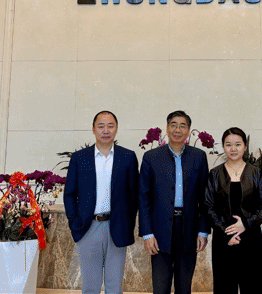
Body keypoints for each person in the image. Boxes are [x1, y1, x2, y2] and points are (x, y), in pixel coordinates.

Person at [64, 111, 139, 294]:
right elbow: (69, 194)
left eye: (110, 126)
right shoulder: (79, 158)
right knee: (90, 286)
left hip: (117, 227)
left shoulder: (127, 157)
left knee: (114, 287)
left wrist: (127, 223)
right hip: (88, 227)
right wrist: (75, 223)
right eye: (101, 126)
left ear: (116, 128)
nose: (106, 130)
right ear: (93, 129)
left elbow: (134, 194)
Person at [138, 110, 210, 294]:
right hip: (160, 230)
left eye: (182, 126)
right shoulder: (151, 157)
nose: (177, 130)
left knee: (184, 287)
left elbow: (204, 198)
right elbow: (143, 198)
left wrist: (202, 231)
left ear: (188, 130)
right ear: (167, 128)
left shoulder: (198, 157)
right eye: (173, 125)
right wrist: (147, 233)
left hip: (189, 229)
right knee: (160, 287)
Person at [204, 127, 262, 294]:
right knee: (224, 287)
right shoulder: (215, 174)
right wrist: (226, 232)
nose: (233, 149)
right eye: (228, 145)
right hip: (223, 239)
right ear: (223, 146)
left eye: (237, 144)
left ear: (245, 146)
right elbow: (208, 206)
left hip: (251, 239)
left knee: (252, 287)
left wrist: (246, 224)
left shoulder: (256, 173)